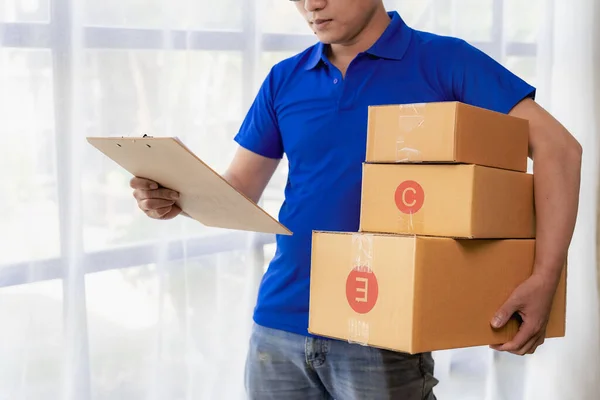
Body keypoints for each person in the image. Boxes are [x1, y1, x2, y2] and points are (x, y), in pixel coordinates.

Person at [130, 1, 582, 399]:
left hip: (381, 329)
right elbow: (238, 191)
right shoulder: (284, 78)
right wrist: (173, 197)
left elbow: (559, 149)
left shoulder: (444, 61)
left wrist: (545, 276)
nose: (312, 4)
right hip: (278, 325)